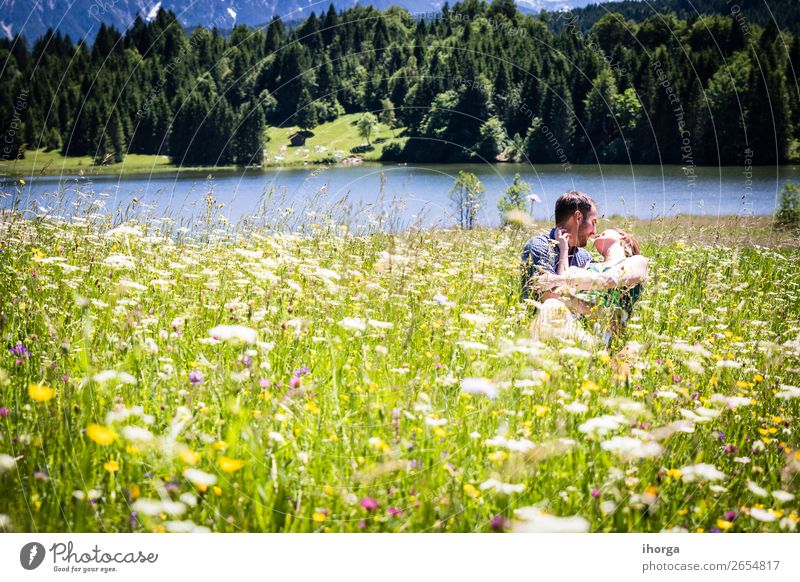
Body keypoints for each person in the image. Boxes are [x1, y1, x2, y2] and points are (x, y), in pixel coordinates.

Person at [536, 228, 648, 348]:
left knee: (552, 308)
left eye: (607, 230)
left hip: (600, 335)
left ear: (622, 237)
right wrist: (564, 249)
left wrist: (557, 282)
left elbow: (607, 280)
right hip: (572, 321)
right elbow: (561, 289)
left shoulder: (638, 262)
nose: (596, 232)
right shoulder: (587, 265)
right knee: (551, 305)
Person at [521, 191, 598, 302]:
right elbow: (555, 298)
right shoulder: (539, 246)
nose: (594, 232)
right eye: (593, 222)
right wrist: (564, 250)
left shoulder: (585, 257)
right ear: (578, 217)